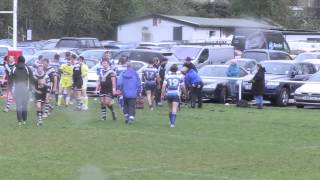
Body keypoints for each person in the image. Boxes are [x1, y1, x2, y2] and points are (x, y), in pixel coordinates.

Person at [10, 56, 34, 125]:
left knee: (18, 106)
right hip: (25, 90)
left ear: (18, 61)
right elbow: (31, 79)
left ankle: (19, 121)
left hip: (17, 90)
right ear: (24, 61)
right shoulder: (27, 68)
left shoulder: (14, 68)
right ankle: (24, 120)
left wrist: (11, 89)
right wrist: (30, 89)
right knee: (24, 105)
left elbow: (11, 80)